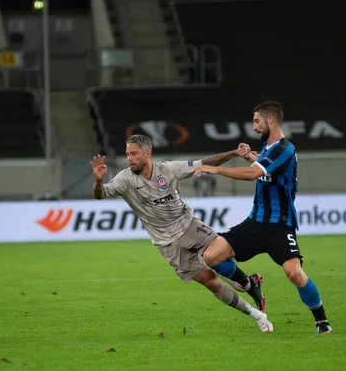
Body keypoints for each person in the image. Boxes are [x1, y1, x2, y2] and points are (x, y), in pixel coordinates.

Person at [90, 134, 272, 332]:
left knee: (218, 256)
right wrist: (98, 181)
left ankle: (247, 283)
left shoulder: (169, 169)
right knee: (211, 282)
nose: (129, 158)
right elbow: (101, 194)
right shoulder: (125, 179)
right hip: (167, 243)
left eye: (134, 153)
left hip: (189, 225)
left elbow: (205, 162)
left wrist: (235, 153)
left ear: (147, 153)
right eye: (127, 154)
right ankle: (257, 315)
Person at [194, 101, 332, 334]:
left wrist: (216, 169)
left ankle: (321, 320)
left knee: (294, 273)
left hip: (279, 226)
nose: (254, 126)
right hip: (255, 223)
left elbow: (253, 175)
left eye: (257, 121)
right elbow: (264, 170)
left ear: (270, 120)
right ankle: (249, 283)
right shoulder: (269, 149)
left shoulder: (284, 148)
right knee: (211, 256)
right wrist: (253, 159)